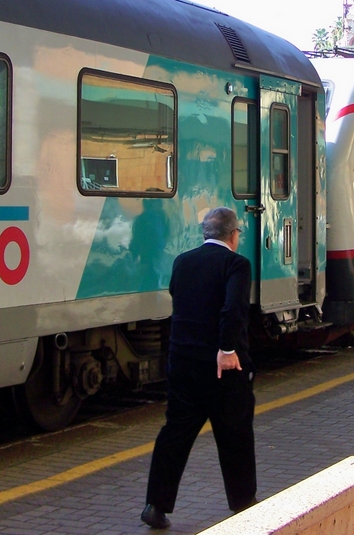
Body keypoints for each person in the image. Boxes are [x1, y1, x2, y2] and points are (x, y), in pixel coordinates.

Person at [141, 207, 256, 530]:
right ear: (233, 235)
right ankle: (244, 505)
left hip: (183, 364)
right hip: (223, 368)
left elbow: (180, 299)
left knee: (175, 434)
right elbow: (233, 308)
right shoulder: (236, 264)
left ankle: (155, 505)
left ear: (206, 233)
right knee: (235, 436)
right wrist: (227, 349)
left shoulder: (183, 262)